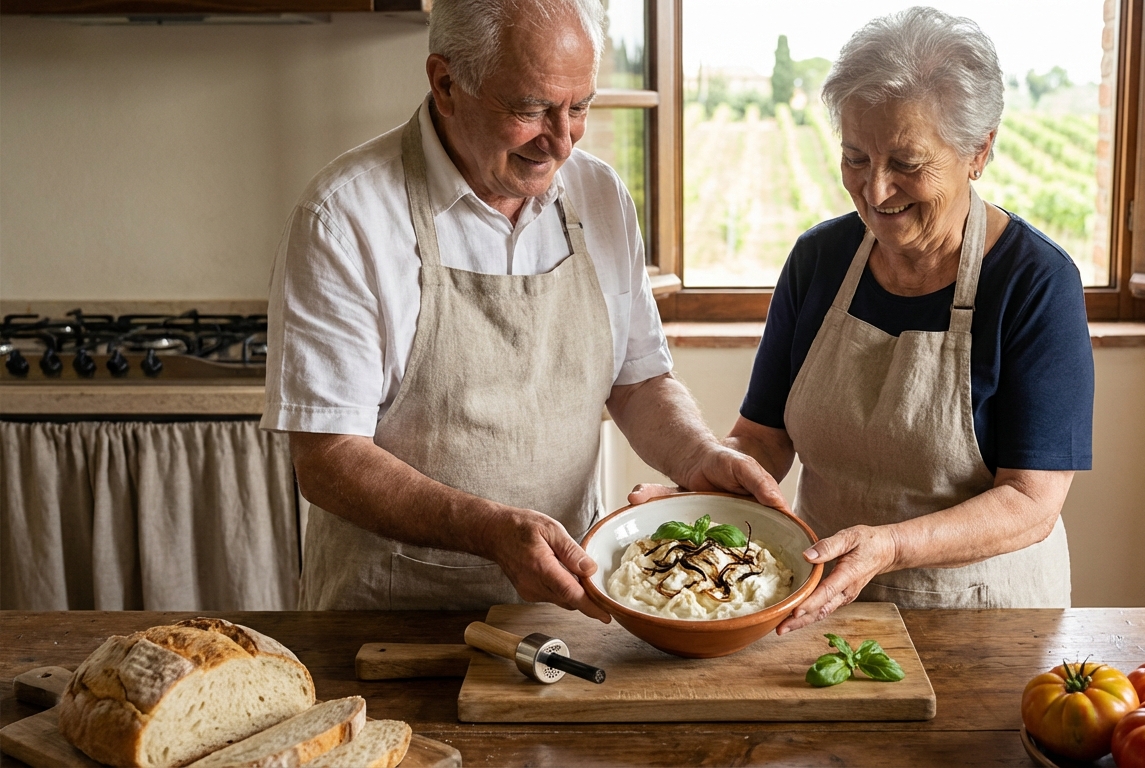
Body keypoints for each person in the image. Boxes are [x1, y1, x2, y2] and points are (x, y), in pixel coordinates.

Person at [261, 0, 784, 617]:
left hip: (567, 604)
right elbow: (327, 460)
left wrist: (699, 457)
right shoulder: (345, 217)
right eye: (531, 109)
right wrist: (489, 530)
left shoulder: (599, 195)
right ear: (446, 83)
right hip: (396, 618)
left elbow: (638, 380)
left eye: (579, 107)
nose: (560, 141)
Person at [713, 7, 1094, 631]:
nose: (876, 190)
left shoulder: (1034, 282)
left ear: (979, 150)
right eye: (855, 158)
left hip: (983, 616)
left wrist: (890, 546)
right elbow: (762, 438)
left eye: (907, 164)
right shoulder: (819, 260)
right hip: (821, 604)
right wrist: (698, 495)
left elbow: (1031, 502)